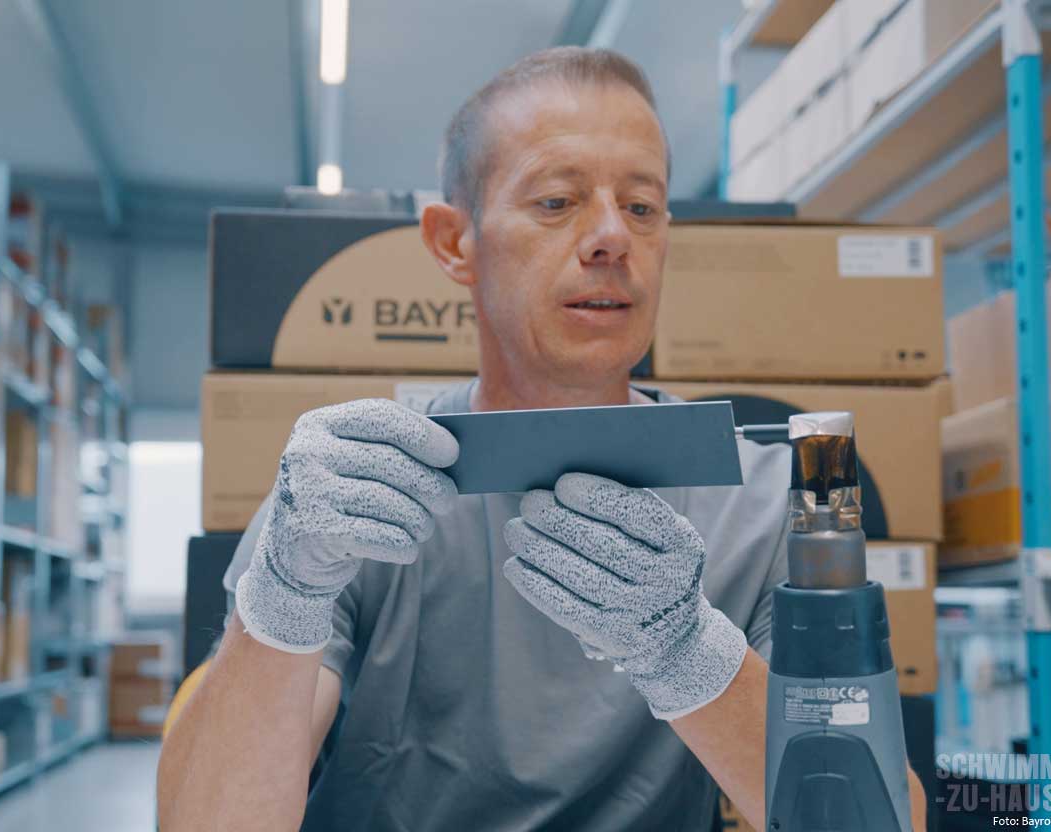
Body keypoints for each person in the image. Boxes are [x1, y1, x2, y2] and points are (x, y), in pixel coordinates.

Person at [156, 47, 927, 831]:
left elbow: (873, 824)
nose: (611, 237)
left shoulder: (760, 505)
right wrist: (285, 594)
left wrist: (688, 653)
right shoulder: (361, 494)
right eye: (557, 202)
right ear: (454, 242)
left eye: (642, 207)